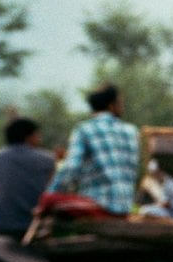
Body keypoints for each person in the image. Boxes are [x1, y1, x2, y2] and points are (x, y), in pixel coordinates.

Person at [44, 84, 142, 216]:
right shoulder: (132, 131)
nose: (122, 107)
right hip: (125, 207)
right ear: (111, 106)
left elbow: (71, 169)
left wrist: (52, 194)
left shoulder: (84, 129)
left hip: (97, 205)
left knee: (47, 199)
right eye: (120, 103)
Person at [0, 117, 56, 238]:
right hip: (34, 224)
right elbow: (52, 190)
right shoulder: (47, 159)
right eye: (37, 135)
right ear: (29, 137)